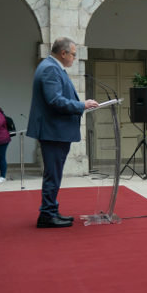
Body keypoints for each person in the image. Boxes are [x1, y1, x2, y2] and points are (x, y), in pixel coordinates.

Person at [26, 37, 99, 229]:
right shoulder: (51, 68)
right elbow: (55, 101)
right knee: (53, 173)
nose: (75, 58)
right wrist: (81, 105)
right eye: (73, 54)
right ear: (63, 53)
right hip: (53, 131)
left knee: (54, 173)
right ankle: (47, 214)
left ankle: (51, 210)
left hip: (54, 130)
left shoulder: (51, 66)